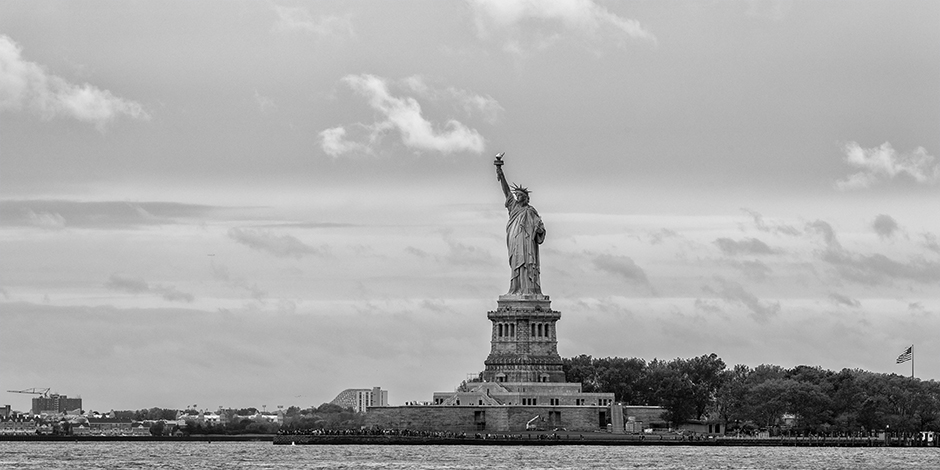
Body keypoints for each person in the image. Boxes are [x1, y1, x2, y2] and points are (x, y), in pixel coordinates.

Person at [495, 153, 545, 295]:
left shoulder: (531, 211)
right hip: (516, 239)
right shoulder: (513, 206)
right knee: (517, 264)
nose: (518, 197)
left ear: (527, 198)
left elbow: (540, 231)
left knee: (528, 264)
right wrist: (499, 171)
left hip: (528, 243)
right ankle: (516, 288)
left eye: (521, 195)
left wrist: (539, 229)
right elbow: (505, 190)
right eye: (517, 195)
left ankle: (530, 289)